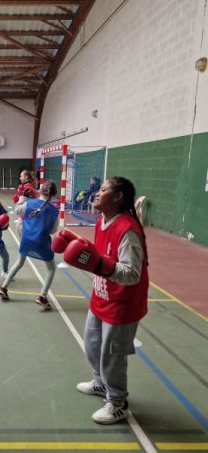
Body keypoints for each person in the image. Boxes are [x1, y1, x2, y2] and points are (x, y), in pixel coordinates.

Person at [60, 176, 149, 424]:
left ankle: (118, 402)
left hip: (122, 304)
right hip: (101, 295)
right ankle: (100, 382)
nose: (97, 193)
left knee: (112, 356)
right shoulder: (101, 221)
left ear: (118, 197)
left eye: (103, 189)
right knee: (92, 345)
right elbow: (101, 253)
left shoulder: (128, 230)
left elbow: (132, 273)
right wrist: (76, 245)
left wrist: (99, 265)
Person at [0, 180, 59, 309]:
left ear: (40, 190)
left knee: (19, 262)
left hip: (26, 240)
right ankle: (43, 296)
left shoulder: (29, 203)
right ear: (53, 194)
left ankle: (4, 288)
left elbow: (17, 210)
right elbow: (53, 231)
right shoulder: (54, 211)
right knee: (51, 268)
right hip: (42, 242)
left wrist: (23, 197)